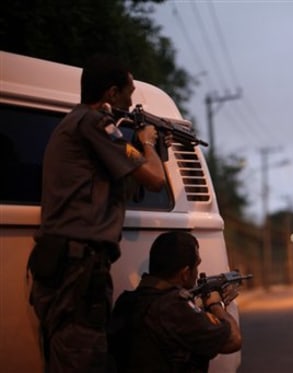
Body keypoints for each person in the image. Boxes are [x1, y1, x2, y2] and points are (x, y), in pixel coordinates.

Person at [27, 53, 168, 372]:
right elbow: (156, 179)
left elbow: (115, 184)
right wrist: (147, 142)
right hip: (78, 266)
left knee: (67, 354)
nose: (131, 102)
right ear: (110, 93)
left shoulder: (74, 124)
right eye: (129, 92)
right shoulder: (96, 123)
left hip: (63, 261)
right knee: (82, 356)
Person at [108, 231, 242, 373]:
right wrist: (215, 303)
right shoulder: (175, 307)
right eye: (196, 266)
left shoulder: (126, 301)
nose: (197, 272)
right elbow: (234, 339)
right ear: (184, 273)